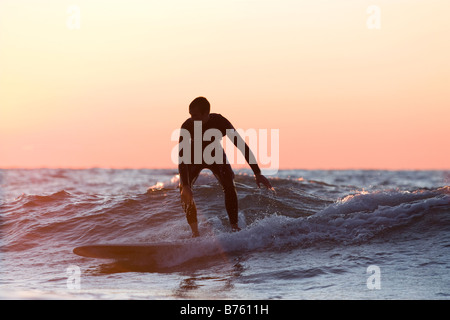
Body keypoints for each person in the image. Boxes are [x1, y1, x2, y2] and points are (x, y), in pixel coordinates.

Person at [178, 97, 273, 237]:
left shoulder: (220, 122)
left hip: (215, 155)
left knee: (229, 185)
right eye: (191, 115)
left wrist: (257, 172)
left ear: (206, 114)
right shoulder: (187, 126)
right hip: (194, 156)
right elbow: (182, 156)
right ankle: (195, 233)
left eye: (196, 116)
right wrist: (185, 184)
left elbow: (241, 145)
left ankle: (234, 227)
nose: (192, 119)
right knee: (184, 190)